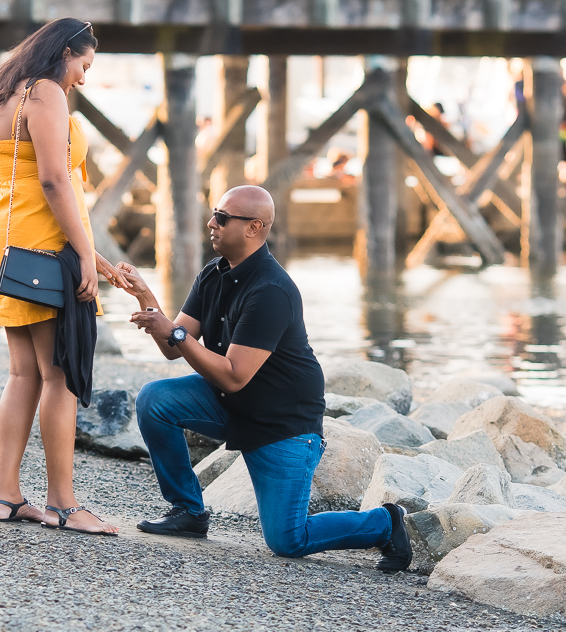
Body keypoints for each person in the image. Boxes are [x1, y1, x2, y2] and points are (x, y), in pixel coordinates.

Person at [114, 185, 413, 571]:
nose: (211, 223)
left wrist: (171, 330)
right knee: (156, 400)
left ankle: (386, 523)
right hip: (230, 402)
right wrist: (146, 298)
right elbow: (174, 347)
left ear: (254, 227)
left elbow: (234, 374)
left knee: (288, 540)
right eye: (213, 214)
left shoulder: (272, 290)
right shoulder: (213, 275)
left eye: (222, 218)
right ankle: (188, 511)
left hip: (281, 424)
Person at [0, 18, 131, 535]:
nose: (83, 78)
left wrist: (97, 258)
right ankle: (63, 503)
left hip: (5, 237)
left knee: (24, 372)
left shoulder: (7, 90)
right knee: (59, 373)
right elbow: (53, 179)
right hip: (38, 240)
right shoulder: (45, 92)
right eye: (83, 65)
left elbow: (30, 179)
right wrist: (85, 257)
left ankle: (6, 497)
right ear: (64, 52)